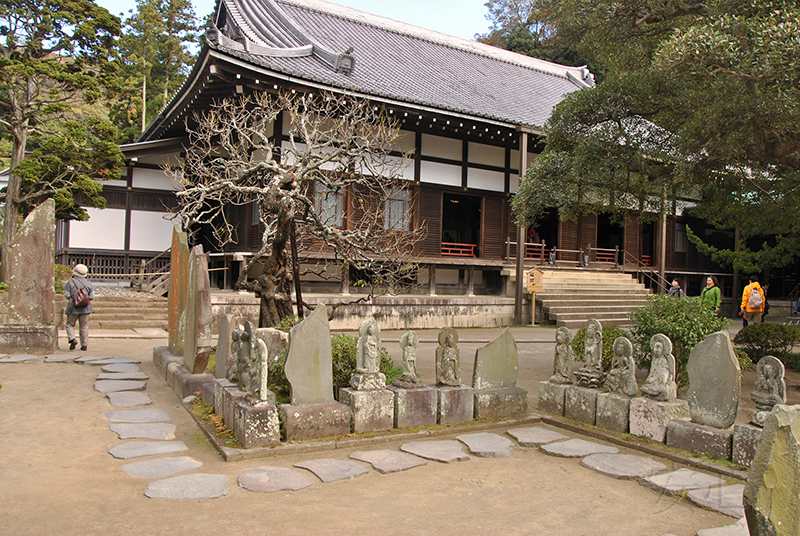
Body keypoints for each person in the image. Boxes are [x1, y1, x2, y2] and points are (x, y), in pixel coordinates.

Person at [64, 264, 94, 351]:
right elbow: (92, 296)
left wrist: (73, 300)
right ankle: (84, 345)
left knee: (69, 324)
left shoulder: (70, 282)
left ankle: (72, 339)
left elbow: (67, 295)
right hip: (85, 308)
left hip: (73, 307)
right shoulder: (88, 283)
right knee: (84, 327)